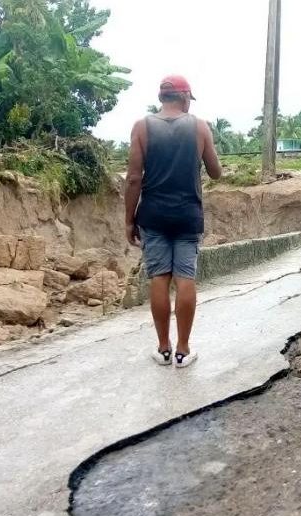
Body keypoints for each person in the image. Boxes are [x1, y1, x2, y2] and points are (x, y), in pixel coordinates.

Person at [126, 75, 222, 367]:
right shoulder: (199, 127)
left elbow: (133, 178)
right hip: (187, 216)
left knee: (159, 277)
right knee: (185, 278)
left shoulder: (142, 127)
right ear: (184, 98)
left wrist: (129, 220)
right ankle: (183, 350)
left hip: (153, 216)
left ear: (161, 98)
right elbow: (216, 172)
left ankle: (163, 348)